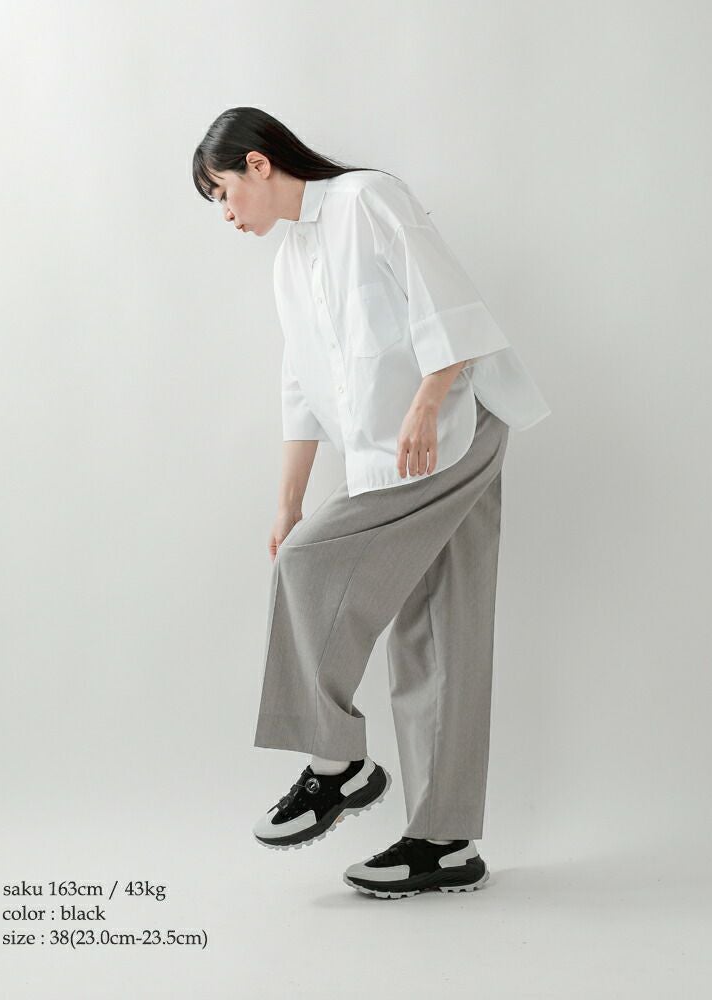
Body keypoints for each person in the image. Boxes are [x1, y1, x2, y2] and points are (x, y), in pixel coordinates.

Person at [192, 107, 551, 899]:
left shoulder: (366, 199)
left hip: (452, 426)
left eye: (221, 192)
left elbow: (446, 300)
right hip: (395, 454)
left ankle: (337, 762)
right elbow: (300, 388)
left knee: (309, 569)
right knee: (437, 626)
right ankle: (445, 841)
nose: (225, 214)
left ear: (257, 164)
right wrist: (287, 505)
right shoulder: (290, 262)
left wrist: (427, 401)